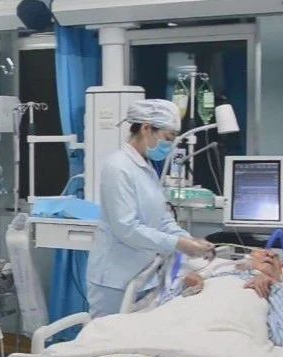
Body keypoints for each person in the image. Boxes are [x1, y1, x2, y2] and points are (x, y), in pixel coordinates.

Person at [87, 99, 215, 318]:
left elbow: (163, 219)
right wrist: (178, 244)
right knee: (107, 336)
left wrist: (190, 241)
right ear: (146, 128)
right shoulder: (118, 167)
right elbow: (126, 228)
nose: (170, 145)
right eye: (168, 138)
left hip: (142, 275)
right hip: (114, 279)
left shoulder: (146, 169)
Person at [163, 249, 283, 347]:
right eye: (263, 252)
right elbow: (167, 307)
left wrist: (273, 285)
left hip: (226, 340)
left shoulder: (282, 294)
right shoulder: (219, 276)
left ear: (281, 269)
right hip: (182, 333)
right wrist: (189, 284)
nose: (270, 255)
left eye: (275, 257)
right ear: (247, 259)